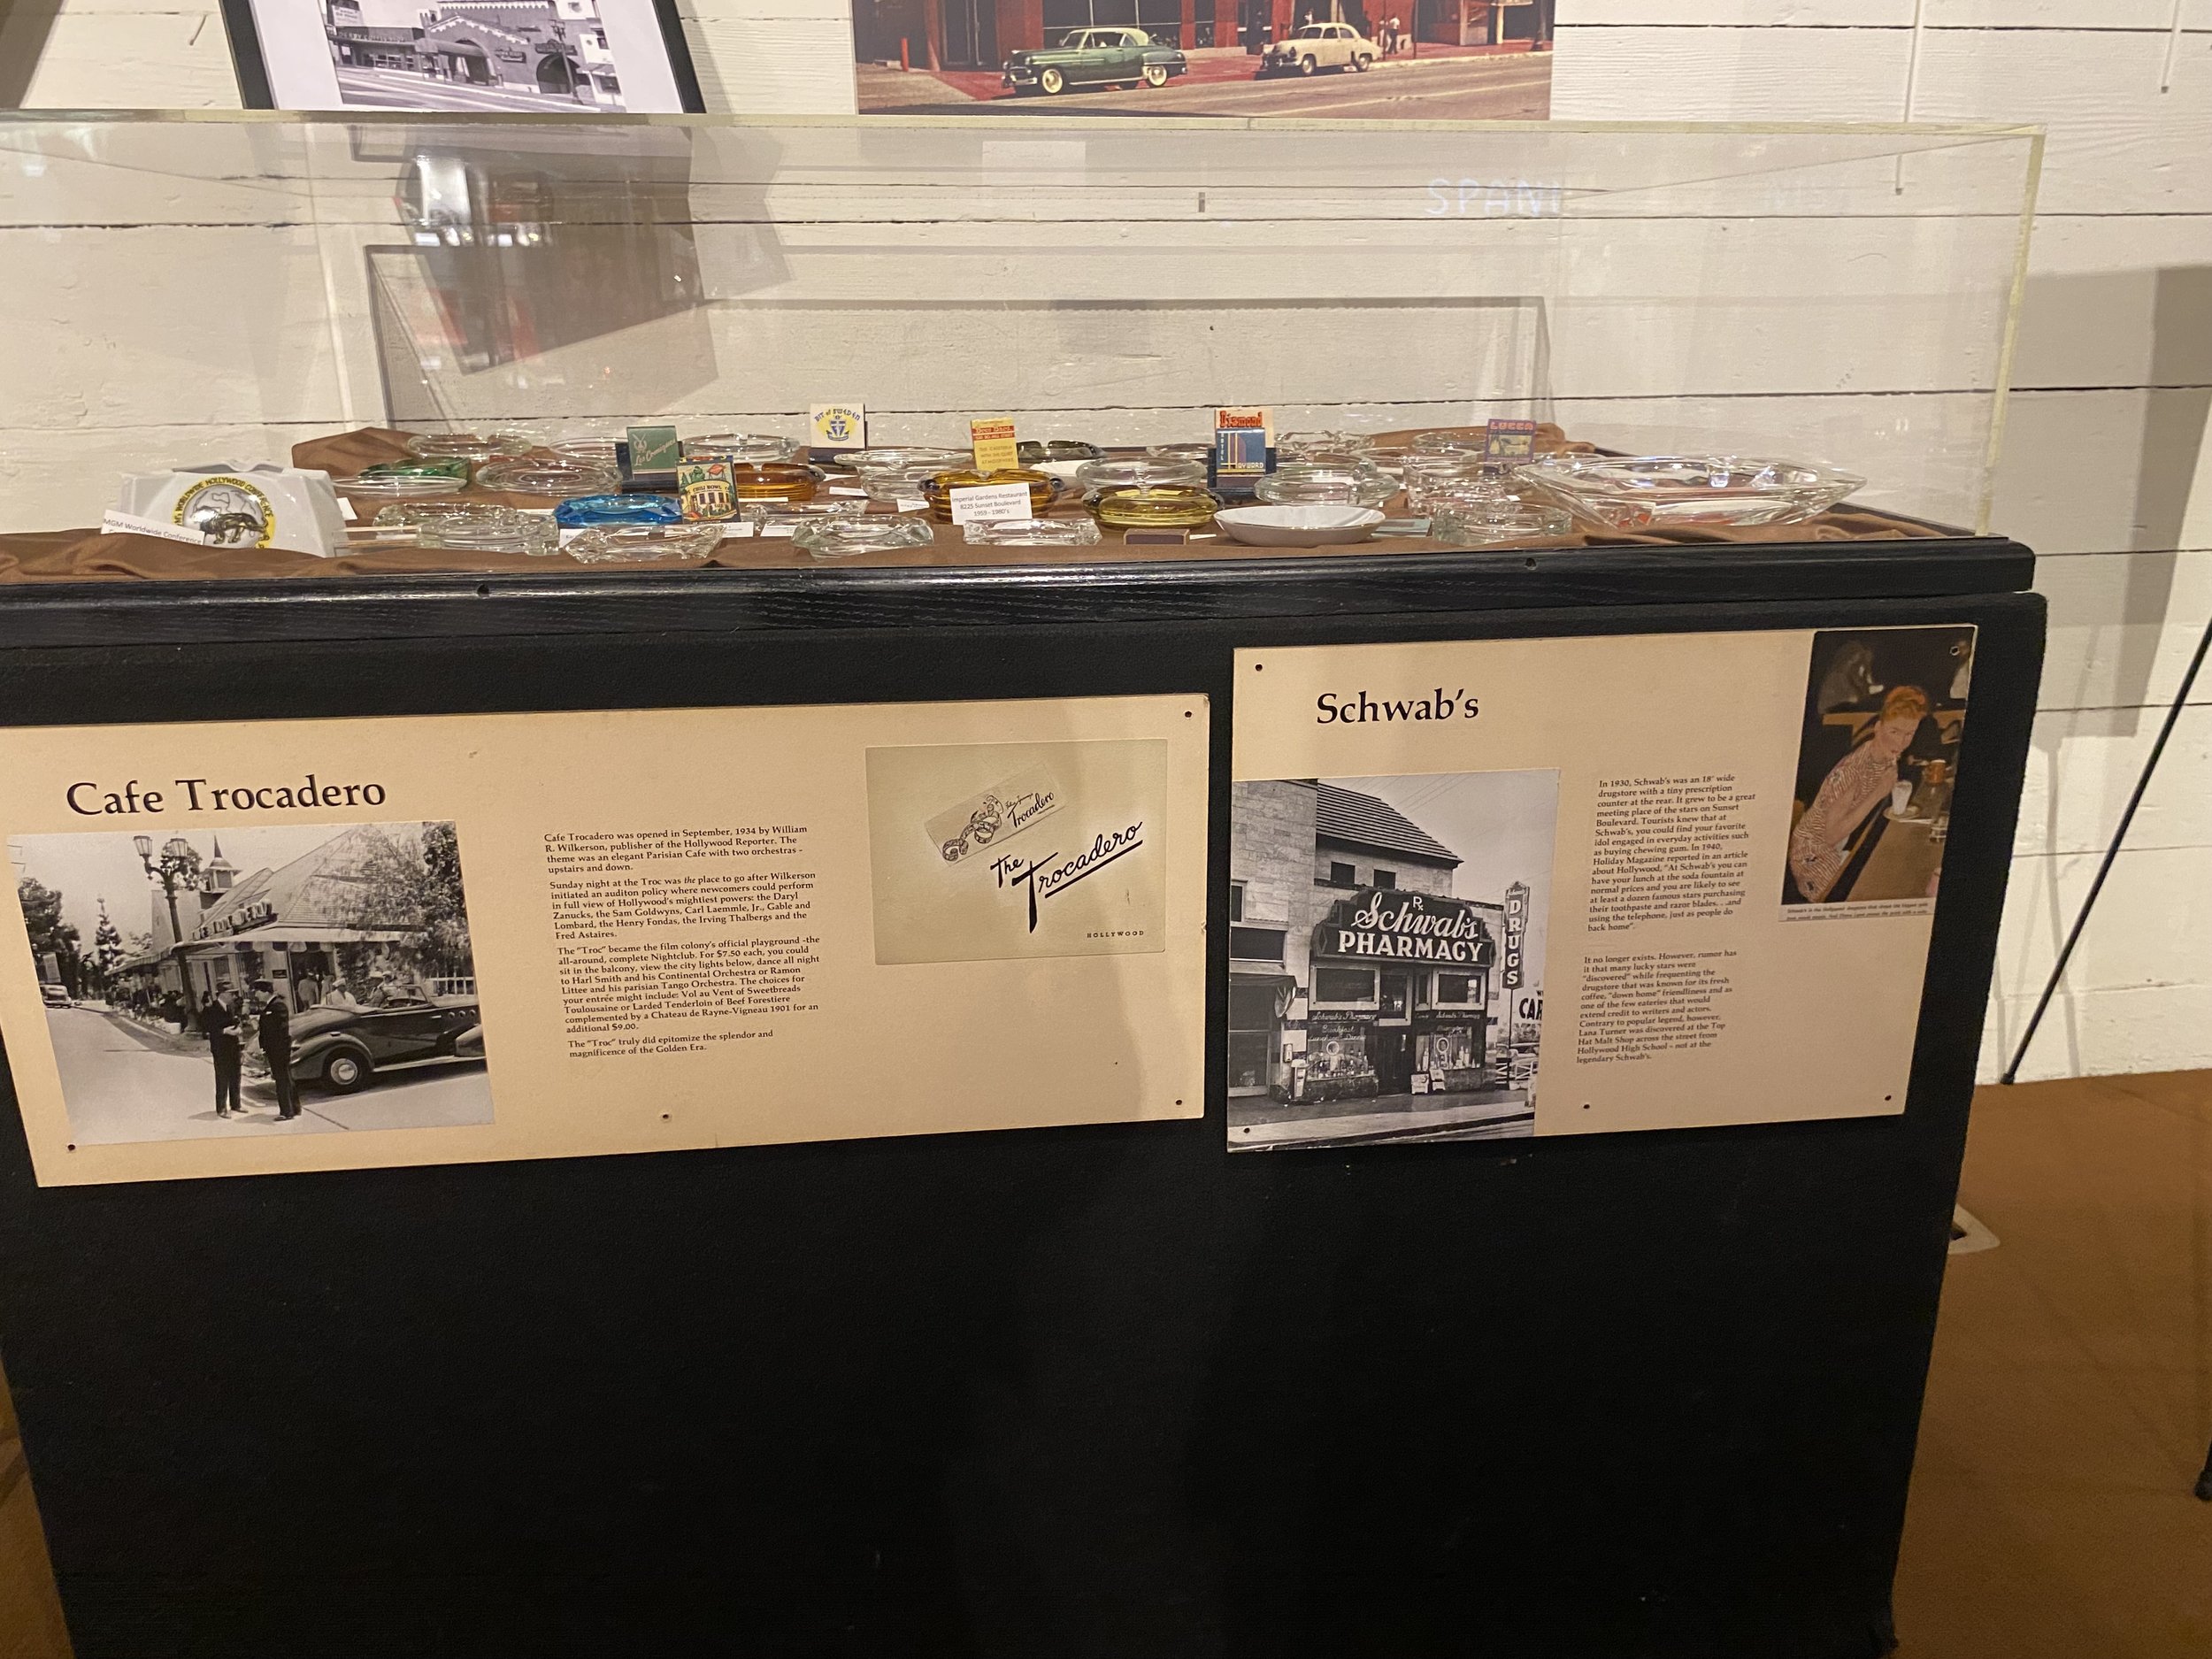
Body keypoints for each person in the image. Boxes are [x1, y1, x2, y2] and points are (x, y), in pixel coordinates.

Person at [1787, 684, 1931, 903]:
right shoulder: (1853, 770)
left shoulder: (1885, 755)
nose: (1901, 742)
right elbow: (1831, 836)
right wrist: (1878, 793)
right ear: (1878, 727)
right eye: (1894, 731)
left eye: (1909, 734)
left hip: (1842, 844)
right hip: (1813, 856)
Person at [253, 979, 298, 1120]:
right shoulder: (270, 1006)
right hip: (276, 1048)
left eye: (258, 991)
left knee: (281, 1080)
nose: (256, 995)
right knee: (285, 1078)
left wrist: (259, 1023)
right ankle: (294, 1108)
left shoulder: (277, 1006)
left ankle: (286, 1112)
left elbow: (279, 1029)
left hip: (279, 1049)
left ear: (266, 991)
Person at [205, 988, 244, 1118]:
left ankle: (236, 1104)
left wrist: (238, 1029)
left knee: (235, 1076)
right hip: (220, 1049)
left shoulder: (231, 1007)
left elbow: (235, 1022)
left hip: (233, 1046)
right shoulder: (211, 1009)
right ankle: (221, 1108)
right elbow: (207, 1028)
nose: (233, 997)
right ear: (222, 994)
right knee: (222, 1078)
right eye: (231, 994)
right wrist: (224, 1031)